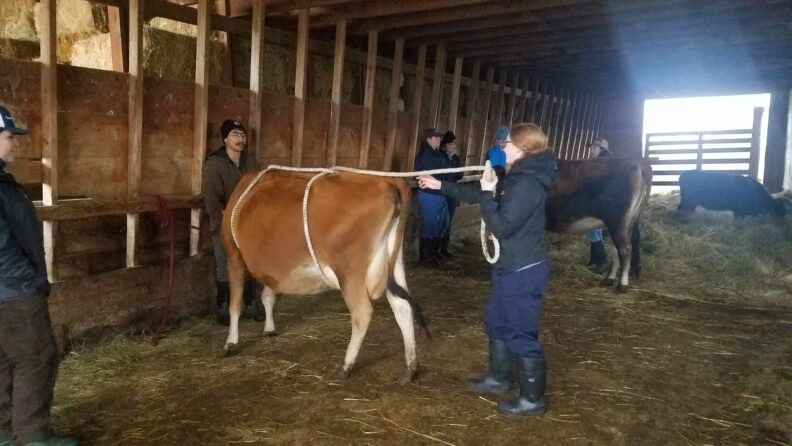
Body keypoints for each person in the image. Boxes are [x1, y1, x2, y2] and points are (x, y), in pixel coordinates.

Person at [418, 123, 556, 416]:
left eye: (507, 143)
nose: (502, 147)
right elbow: (481, 195)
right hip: (510, 266)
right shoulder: (516, 176)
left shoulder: (527, 184)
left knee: (520, 331)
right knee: (497, 321)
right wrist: (439, 185)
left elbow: (502, 227)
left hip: (523, 268)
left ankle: (533, 400)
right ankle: (498, 378)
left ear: (523, 149)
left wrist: (488, 193)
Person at [0, 105, 78, 446]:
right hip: (12, 292)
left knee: (4, 361)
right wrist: (29, 282)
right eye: (8, 137)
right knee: (36, 357)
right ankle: (33, 436)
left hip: (7, 290)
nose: (14, 144)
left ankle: (4, 431)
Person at [202, 119, 263, 325]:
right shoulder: (214, 164)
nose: (240, 139)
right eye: (236, 135)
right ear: (225, 139)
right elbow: (212, 199)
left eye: (243, 135)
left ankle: (251, 305)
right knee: (225, 265)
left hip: (249, 224)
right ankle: (223, 308)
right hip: (225, 223)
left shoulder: (251, 162)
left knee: (250, 263)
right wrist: (223, 224)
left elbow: (260, 188)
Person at [413, 128, 449, 267]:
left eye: (439, 138)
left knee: (441, 224)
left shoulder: (438, 154)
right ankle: (425, 257)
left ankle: (433, 253)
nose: (439, 140)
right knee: (430, 225)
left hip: (440, 192)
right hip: (430, 194)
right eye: (436, 138)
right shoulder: (425, 156)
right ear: (428, 139)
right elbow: (430, 175)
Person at [585, 137, 610, 273]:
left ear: (602, 149)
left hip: (599, 201)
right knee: (594, 231)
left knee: (595, 231)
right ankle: (594, 259)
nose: (591, 150)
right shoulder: (599, 162)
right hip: (596, 200)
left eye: (594, 148)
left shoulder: (602, 164)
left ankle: (601, 262)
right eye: (591, 148)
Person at [438, 131, 464, 258]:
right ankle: (435, 250)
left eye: (454, 142)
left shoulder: (455, 158)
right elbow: (443, 175)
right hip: (442, 192)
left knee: (449, 221)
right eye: (451, 143)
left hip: (452, 192)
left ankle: (444, 249)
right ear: (444, 145)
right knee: (441, 221)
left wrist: (453, 162)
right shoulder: (440, 157)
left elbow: (460, 174)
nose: (453, 145)